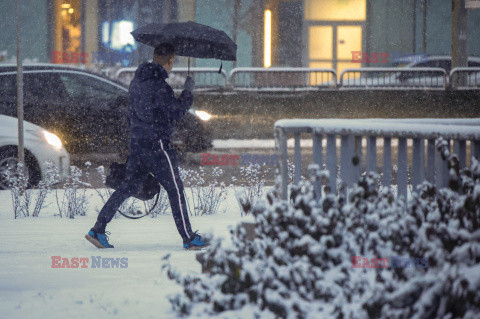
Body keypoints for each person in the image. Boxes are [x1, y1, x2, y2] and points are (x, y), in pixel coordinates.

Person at [85, 43, 209, 250]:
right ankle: (189, 238)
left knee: (128, 187)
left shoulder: (137, 81)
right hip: (158, 145)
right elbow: (175, 113)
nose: (172, 66)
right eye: (173, 62)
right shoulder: (159, 86)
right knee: (175, 190)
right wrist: (188, 92)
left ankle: (97, 230)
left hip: (138, 142)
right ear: (170, 62)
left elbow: (131, 112)